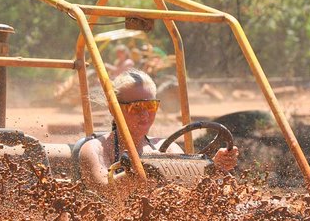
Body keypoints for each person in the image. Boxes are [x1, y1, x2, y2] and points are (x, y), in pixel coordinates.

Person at [79, 69, 239, 191]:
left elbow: (190, 192)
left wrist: (214, 167)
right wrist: (143, 169)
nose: (145, 113)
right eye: (136, 107)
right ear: (113, 109)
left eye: (150, 106)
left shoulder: (168, 147)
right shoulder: (95, 149)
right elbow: (104, 190)